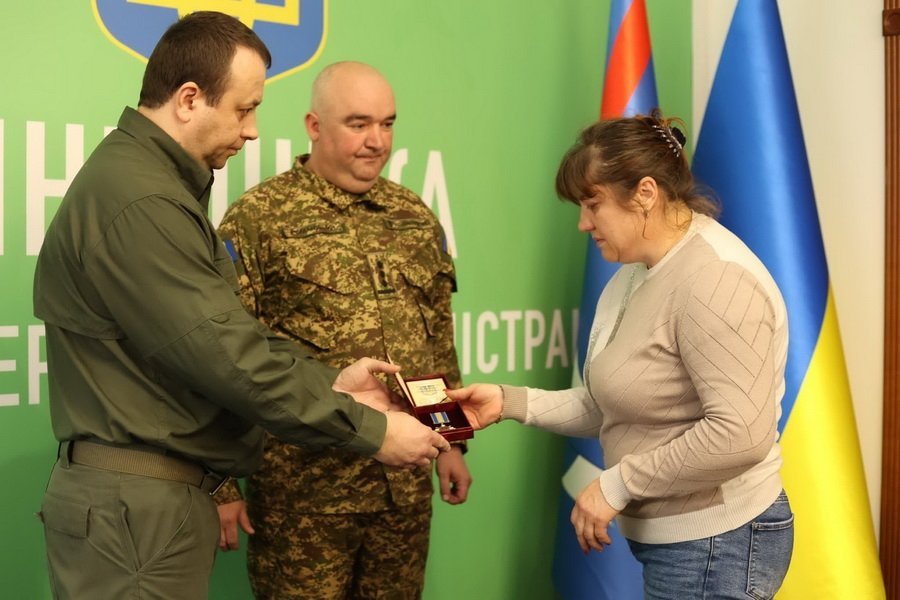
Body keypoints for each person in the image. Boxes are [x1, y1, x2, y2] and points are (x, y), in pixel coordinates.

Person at [33, 14, 450, 600]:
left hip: (150, 506)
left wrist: (332, 385)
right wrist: (372, 428)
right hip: (139, 512)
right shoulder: (141, 199)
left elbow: (233, 336)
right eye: (243, 109)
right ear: (188, 100)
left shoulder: (150, 185)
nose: (252, 130)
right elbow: (226, 355)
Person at [446, 112, 794, 599]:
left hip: (718, 545)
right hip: (683, 546)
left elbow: (740, 435)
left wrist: (618, 485)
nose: (583, 223)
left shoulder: (716, 280)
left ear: (645, 193)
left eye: (593, 204)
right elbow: (618, 403)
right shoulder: (635, 273)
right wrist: (509, 402)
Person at [215, 60, 472, 600]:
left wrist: (449, 439)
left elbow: (434, 339)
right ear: (314, 125)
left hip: (403, 492)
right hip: (303, 497)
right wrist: (219, 484)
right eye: (359, 124)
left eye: (387, 123)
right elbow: (223, 355)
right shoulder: (260, 218)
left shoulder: (412, 215)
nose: (377, 141)